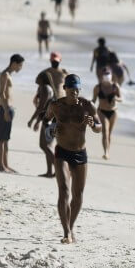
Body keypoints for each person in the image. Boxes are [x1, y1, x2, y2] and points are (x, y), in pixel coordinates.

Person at [44, 74, 102, 244]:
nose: (75, 93)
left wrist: (93, 125)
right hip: (62, 151)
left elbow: (99, 127)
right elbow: (46, 120)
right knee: (63, 191)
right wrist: (51, 129)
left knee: (78, 195)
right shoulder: (56, 105)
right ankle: (66, 232)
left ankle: (71, 226)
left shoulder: (87, 106)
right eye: (71, 90)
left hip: (79, 153)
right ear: (65, 89)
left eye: (77, 90)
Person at [28, 51, 66, 177]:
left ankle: (58, 170)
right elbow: (40, 84)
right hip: (49, 107)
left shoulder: (64, 73)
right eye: (53, 60)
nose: (54, 62)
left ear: (60, 60)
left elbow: (72, 89)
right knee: (47, 143)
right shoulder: (46, 73)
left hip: (58, 110)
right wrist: (37, 95)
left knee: (48, 144)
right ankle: (50, 171)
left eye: (56, 60)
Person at [0, 54, 25, 173]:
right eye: (20, 65)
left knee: (6, 139)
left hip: (8, 109)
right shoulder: (4, 75)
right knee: (1, 138)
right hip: (4, 109)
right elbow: (1, 94)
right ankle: (0, 165)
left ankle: (5, 165)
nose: (21, 68)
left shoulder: (8, 75)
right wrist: (6, 109)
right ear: (14, 63)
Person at [92, 68, 122, 160]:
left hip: (113, 112)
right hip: (102, 111)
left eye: (108, 73)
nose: (106, 75)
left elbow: (121, 98)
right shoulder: (98, 87)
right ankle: (106, 153)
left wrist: (115, 98)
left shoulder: (115, 86)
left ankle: (108, 150)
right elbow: (93, 100)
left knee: (109, 133)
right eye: (105, 74)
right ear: (101, 75)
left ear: (111, 74)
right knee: (105, 131)